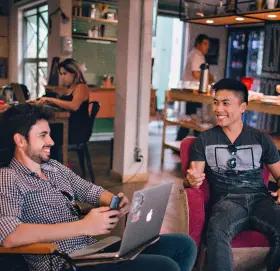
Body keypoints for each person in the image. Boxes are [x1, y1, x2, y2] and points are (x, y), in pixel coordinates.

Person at [0, 104, 197, 271]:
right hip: (64, 262)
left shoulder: (54, 167)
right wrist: (83, 226)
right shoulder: (9, 177)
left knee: (183, 245)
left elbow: (88, 190)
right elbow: (10, 236)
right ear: (20, 140)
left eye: (49, 134)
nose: (51, 141)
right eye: (43, 135)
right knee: (164, 266)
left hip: (90, 250)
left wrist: (115, 201)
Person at [186, 78, 280, 271]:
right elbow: (194, 178)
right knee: (216, 231)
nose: (218, 109)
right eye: (216, 102)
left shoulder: (261, 139)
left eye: (225, 103)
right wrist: (191, 181)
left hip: (261, 200)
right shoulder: (204, 140)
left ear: (243, 107)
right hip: (227, 202)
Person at [37, 58, 91, 161]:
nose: (62, 77)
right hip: (70, 124)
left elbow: (74, 106)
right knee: (44, 131)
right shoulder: (71, 87)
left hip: (77, 130)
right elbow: (65, 104)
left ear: (74, 73)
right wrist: (48, 101)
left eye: (64, 74)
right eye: (61, 74)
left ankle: (53, 167)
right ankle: (49, 165)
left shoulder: (81, 87)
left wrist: (51, 99)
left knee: (46, 134)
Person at [177, 34, 213, 140]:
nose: (207, 47)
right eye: (205, 44)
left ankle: (183, 142)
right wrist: (210, 78)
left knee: (192, 119)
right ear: (198, 44)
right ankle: (183, 142)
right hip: (194, 92)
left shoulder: (195, 54)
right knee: (194, 119)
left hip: (192, 92)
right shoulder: (197, 55)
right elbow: (196, 74)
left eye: (208, 44)